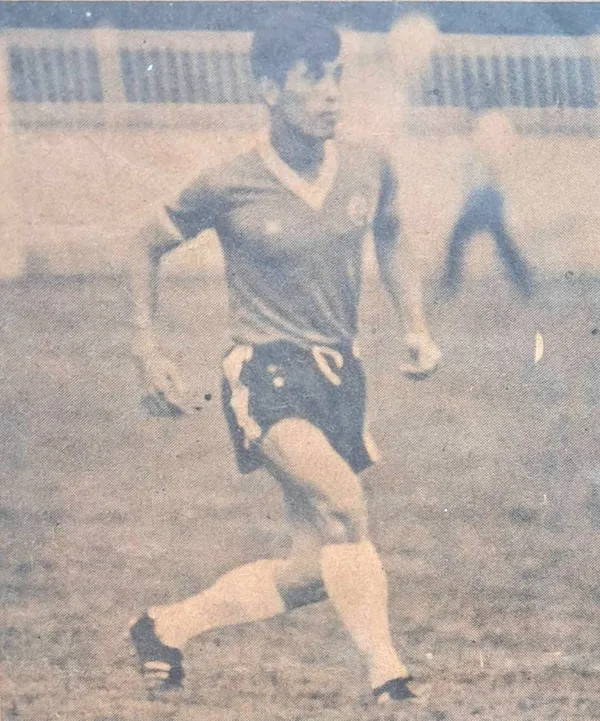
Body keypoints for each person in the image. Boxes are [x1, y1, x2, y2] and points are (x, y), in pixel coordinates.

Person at [128, 9, 441, 706]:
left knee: (314, 566)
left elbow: (392, 235)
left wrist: (415, 324)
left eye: (337, 77)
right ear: (269, 89)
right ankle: (390, 679)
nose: (331, 94)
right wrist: (146, 347)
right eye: (313, 79)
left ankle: (166, 627)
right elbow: (145, 242)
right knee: (344, 502)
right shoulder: (229, 180)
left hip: (339, 375)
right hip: (263, 370)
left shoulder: (367, 167)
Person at [441, 111, 534, 296]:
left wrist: (474, 203)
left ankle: (450, 284)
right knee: (501, 242)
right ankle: (524, 281)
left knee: (458, 240)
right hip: (487, 199)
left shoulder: (478, 147)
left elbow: (485, 178)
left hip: (483, 199)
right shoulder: (475, 147)